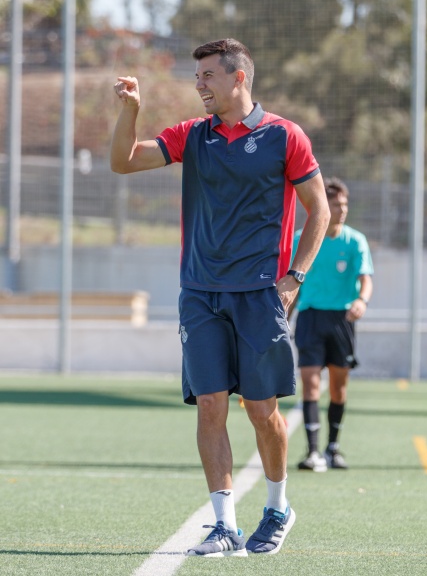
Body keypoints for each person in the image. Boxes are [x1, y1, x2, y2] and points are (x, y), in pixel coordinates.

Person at [110, 39, 330, 557]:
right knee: (209, 404)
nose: (199, 85)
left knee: (261, 409)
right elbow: (123, 162)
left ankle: (278, 508)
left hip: (259, 295)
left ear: (238, 78)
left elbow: (317, 210)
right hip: (200, 294)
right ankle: (225, 523)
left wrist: (295, 277)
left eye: (208, 75)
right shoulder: (193, 135)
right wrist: (132, 112)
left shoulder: (284, 136)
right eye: (198, 77)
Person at [291, 177, 373, 472]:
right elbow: (293, 283)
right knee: (311, 384)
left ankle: (332, 448)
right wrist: (283, 319)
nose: (342, 209)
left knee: (338, 389)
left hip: (342, 320)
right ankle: (313, 452)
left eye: (344, 204)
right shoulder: (302, 239)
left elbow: (366, 278)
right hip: (310, 317)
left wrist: (361, 300)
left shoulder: (355, 241)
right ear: (324, 206)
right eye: (336, 204)